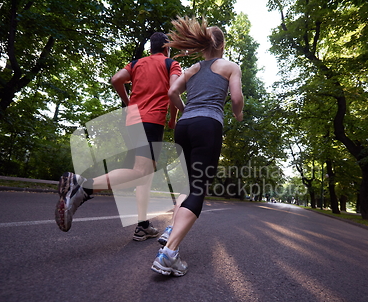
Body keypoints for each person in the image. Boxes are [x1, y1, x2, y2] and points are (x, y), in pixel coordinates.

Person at [55, 32, 182, 241]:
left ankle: (142, 225)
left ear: (151, 48)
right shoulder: (171, 64)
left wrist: (127, 102)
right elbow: (174, 92)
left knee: (145, 174)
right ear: (167, 48)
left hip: (131, 120)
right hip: (151, 120)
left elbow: (116, 79)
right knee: (141, 170)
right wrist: (173, 118)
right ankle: (83, 186)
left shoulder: (136, 63)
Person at [151, 17, 244, 277]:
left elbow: (172, 94)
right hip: (208, 126)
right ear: (222, 46)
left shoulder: (191, 69)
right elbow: (236, 98)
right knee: (199, 187)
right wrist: (238, 114)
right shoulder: (230, 67)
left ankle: (172, 228)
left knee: (188, 184)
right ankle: (169, 254)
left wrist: (185, 111)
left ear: (202, 46)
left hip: (185, 127)